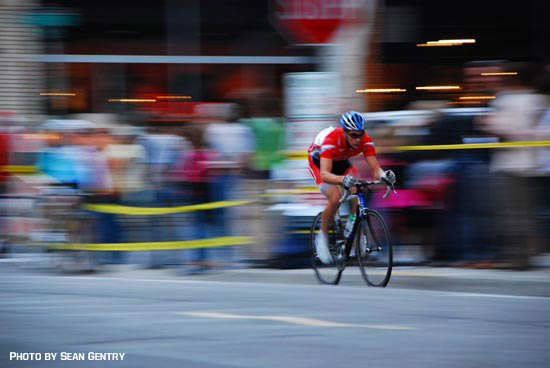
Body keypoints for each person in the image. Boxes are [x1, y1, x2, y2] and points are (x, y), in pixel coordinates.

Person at [308, 111, 396, 264]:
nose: (358, 139)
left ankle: (352, 227)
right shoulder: (331, 140)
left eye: (361, 134)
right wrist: (342, 179)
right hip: (318, 161)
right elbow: (325, 175)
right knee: (335, 198)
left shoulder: (365, 141)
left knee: (358, 188)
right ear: (344, 132)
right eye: (354, 135)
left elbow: (376, 171)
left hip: (340, 160)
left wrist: (384, 176)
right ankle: (321, 237)